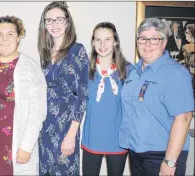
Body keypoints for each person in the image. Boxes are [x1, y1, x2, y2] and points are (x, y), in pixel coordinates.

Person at [0, 15, 47, 175]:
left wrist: (26, 146)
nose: (4, 39)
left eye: (10, 34)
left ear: (18, 37)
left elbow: (37, 111)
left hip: (11, 145)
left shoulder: (29, 68)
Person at [119, 18, 194, 176]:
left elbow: (184, 118)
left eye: (154, 39)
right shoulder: (133, 72)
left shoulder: (176, 73)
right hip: (136, 153)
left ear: (164, 42)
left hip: (163, 155)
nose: (147, 44)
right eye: (143, 38)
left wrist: (170, 161)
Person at [37, 2, 89, 175]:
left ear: (68, 22)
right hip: (45, 127)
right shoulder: (44, 53)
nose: (54, 24)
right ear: (44, 24)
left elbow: (82, 95)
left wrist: (71, 134)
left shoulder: (77, 51)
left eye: (59, 19)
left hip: (66, 127)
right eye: (49, 20)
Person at [81, 22, 130, 176]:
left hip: (118, 140)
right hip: (92, 138)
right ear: (93, 42)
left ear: (115, 42)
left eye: (107, 39)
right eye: (98, 40)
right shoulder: (84, 70)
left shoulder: (128, 70)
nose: (102, 44)